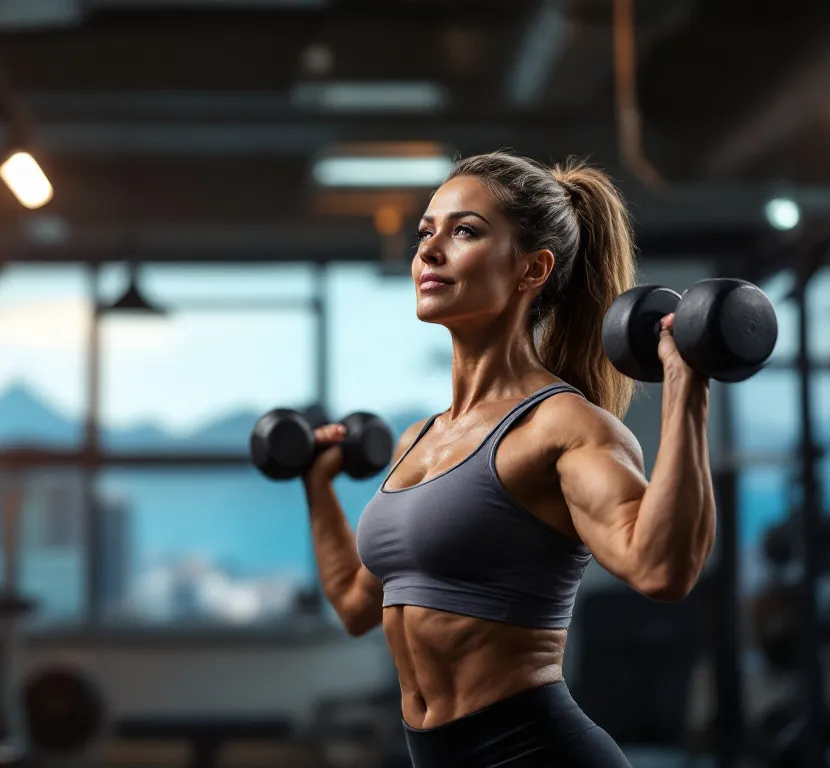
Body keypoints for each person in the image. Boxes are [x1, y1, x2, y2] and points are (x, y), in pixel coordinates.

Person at [302, 151, 714, 768]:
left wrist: (686, 388)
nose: (430, 251)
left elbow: (660, 569)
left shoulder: (564, 427)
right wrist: (317, 489)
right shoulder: (419, 440)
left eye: (463, 231)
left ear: (532, 269)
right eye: (426, 232)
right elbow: (357, 605)